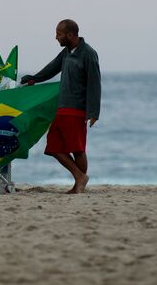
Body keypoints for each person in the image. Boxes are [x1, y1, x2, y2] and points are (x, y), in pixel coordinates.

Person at [21, 19, 101, 193]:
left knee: (77, 149)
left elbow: (95, 83)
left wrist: (94, 111)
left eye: (59, 33)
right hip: (62, 108)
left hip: (77, 109)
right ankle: (80, 178)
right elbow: (52, 68)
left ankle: (79, 184)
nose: (56, 37)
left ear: (70, 35)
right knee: (54, 147)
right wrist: (35, 78)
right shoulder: (66, 52)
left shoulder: (88, 53)